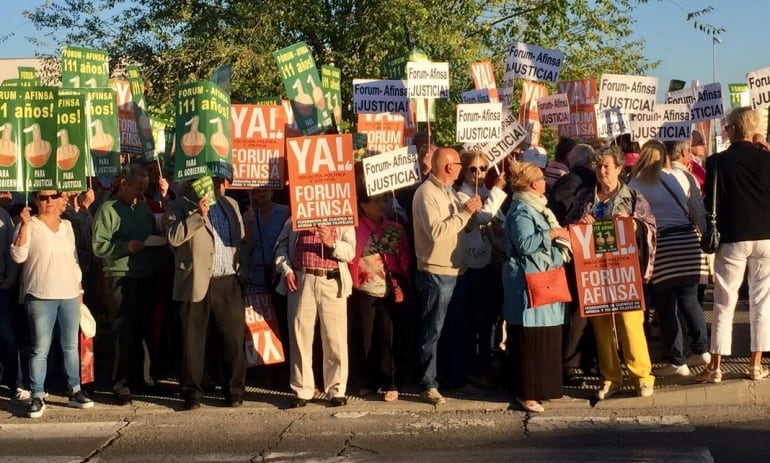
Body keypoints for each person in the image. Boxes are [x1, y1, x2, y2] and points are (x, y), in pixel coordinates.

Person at [566, 145, 657, 399]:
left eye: (607, 166)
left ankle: (642, 376)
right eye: (598, 166)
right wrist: (579, 224)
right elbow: (569, 226)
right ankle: (610, 376)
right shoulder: (585, 196)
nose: (602, 171)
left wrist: (631, 224)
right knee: (602, 325)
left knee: (630, 323)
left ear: (619, 168)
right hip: (594, 272)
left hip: (624, 272)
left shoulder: (634, 197)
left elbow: (650, 228)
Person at [698, 107, 770, 383]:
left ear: (733, 129)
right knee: (762, 302)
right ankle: (755, 364)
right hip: (766, 235)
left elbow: (711, 202)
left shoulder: (717, 162)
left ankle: (715, 366)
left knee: (724, 301)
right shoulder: (767, 159)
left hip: (732, 237)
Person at [166, 176, 249, 410]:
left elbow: (240, 239)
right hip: (195, 281)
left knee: (233, 340)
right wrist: (197, 216)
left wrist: (243, 271)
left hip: (227, 280)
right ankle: (192, 393)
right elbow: (173, 237)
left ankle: (234, 391)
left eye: (213, 180)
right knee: (193, 342)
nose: (209, 185)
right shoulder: (179, 205)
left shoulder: (229, 204)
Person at [628, 140, 709, 377]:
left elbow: (633, 218)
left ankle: (677, 360)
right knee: (690, 299)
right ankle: (702, 349)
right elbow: (697, 211)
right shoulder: (683, 177)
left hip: (662, 245)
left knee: (666, 305)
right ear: (665, 157)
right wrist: (705, 238)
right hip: (687, 241)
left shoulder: (637, 182)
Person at [11, 190, 93, 418]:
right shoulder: (29, 224)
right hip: (40, 294)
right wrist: (24, 226)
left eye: (53, 196)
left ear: (60, 199)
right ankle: (37, 394)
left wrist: (79, 289)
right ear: (35, 200)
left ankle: (75, 389)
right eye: (43, 197)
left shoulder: (66, 226)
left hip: (68, 293)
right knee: (40, 348)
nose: (48, 201)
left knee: (70, 345)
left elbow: (73, 259)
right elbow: (18, 256)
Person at [412, 147, 482, 404]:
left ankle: (455, 378)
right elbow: (437, 232)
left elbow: (458, 227)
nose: (463, 169)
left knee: (456, 330)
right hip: (436, 272)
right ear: (449, 167)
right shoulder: (427, 193)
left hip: (456, 270)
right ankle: (427, 383)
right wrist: (464, 213)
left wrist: (470, 215)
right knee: (433, 331)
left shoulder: (449, 191)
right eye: (461, 165)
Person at [92, 164, 163, 406]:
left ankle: (142, 379)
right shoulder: (108, 210)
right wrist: (125, 247)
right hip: (120, 276)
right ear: (124, 183)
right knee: (123, 332)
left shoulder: (143, 208)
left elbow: (153, 231)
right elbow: (99, 246)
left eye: (144, 189)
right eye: (137, 188)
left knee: (144, 330)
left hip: (146, 275)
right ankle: (120, 383)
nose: (141, 193)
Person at [502, 161, 570, 413]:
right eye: (542, 178)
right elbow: (524, 244)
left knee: (547, 335)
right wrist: (552, 234)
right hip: (528, 283)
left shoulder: (538, 207)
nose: (546, 182)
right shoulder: (521, 209)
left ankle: (544, 388)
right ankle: (526, 391)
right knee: (530, 339)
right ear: (533, 184)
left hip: (545, 278)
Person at [274, 219, 356, 408]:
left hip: (331, 278)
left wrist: (332, 243)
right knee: (299, 335)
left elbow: (350, 251)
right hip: (302, 277)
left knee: (334, 337)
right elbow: (281, 246)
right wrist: (286, 269)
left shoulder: (341, 215)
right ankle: (302, 388)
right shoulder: (297, 213)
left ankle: (336, 389)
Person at [348, 189, 411, 402]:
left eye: (383, 200)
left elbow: (405, 259)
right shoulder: (354, 228)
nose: (381, 204)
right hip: (364, 289)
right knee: (366, 338)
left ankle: (391, 381)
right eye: (375, 201)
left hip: (388, 287)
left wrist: (397, 250)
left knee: (388, 336)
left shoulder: (394, 226)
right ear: (363, 205)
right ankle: (370, 380)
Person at [455, 150, 507, 382]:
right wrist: (498, 189)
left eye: (483, 169)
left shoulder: (485, 191)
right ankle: (474, 365)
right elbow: (483, 216)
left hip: (490, 260)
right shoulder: (461, 195)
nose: (478, 174)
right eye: (473, 169)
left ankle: (487, 358)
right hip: (471, 263)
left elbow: (498, 221)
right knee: (474, 317)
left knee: (489, 316)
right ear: (463, 171)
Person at [548, 144, 598, 385]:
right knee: (580, 307)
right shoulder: (576, 180)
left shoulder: (576, 178)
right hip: (578, 248)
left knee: (584, 308)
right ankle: (573, 363)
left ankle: (581, 360)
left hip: (585, 249)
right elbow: (559, 209)